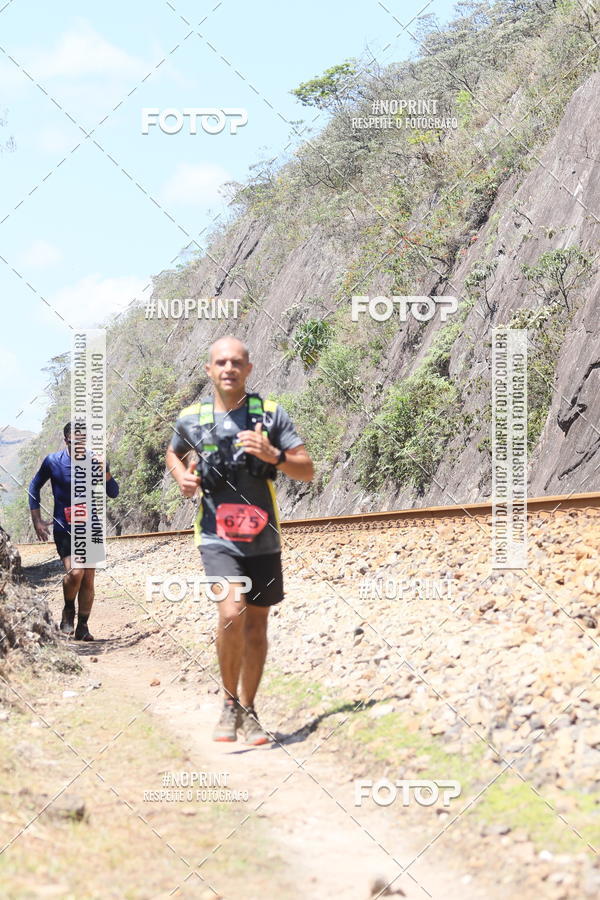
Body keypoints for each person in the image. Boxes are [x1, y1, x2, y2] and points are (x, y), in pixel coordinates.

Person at [166, 336, 314, 744]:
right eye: (221, 362)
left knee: (257, 624)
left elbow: (306, 470)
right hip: (216, 536)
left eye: (236, 362)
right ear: (209, 370)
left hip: (263, 538)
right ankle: (229, 703)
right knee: (232, 613)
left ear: (248, 369)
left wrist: (274, 456)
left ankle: (248, 710)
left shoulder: (270, 415)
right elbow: (174, 452)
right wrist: (182, 477)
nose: (228, 368)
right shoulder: (192, 419)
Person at [28, 422, 119, 641]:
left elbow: (113, 492)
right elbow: (34, 487)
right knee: (76, 572)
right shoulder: (53, 461)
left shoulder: (94, 460)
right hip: (64, 526)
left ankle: (83, 627)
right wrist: (37, 520)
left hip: (90, 525)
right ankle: (68, 610)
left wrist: (105, 471)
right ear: (66, 440)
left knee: (88, 578)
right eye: (73, 440)